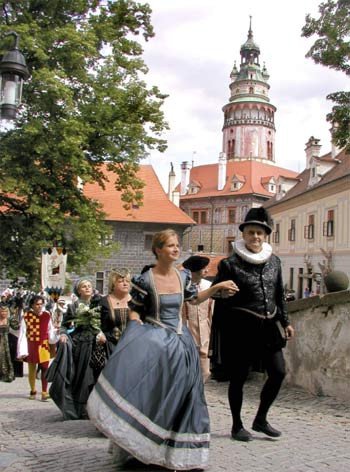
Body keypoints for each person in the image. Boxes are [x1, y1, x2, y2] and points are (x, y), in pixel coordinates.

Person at [87, 229, 237, 471]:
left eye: (177, 245)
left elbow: (194, 300)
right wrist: (136, 329)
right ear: (157, 250)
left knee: (186, 396)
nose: (176, 249)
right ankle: (148, 447)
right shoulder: (145, 279)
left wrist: (216, 287)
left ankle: (179, 452)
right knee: (156, 396)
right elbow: (136, 309)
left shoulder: (183, 277)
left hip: (181, 345)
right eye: (170, 245)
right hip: (156, 343)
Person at [211, 207, 295, 442]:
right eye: (251, 232)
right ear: (243, 234)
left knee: (278, 372)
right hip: (241, 328)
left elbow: (279, 294)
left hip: (269, 327)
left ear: (266, 235)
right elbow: (216, 292)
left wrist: (285, 321)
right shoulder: (229, 264)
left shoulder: (275, 262)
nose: (255, 237)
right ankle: (237, 425)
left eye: (259, 233)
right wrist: (223, 292)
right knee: (238, 377)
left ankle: (260, 419)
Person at [47, 277, 102, 420]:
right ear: (78, 290)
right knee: (82, 376)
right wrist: (64, 334)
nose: (87, 288)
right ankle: (79, 408)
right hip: (81, 344)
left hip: (97, 344)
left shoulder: (99, 305)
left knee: (95, 376)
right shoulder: (73, 306)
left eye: (89, 286)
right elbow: (65, 324)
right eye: (84, 286)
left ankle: (95, 407)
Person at [17, 295, 58, 401]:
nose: (39, 306)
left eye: (41, 304)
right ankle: (33, 390)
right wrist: (22, 350)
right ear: (32, 305)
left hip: (44, 344)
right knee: (32, 369)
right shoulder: (26, 316)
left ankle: (44, 392)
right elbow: (22, 333)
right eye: (37, 304)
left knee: (45, 368)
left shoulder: (47, 315)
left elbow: (50, 330)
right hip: (32, 345)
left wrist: (55, 334)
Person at [182, 255, 214, 382]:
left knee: (204, 364)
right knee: (187, 359)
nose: (207, 271)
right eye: (203, 268)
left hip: (204, 326)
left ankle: (200, 388)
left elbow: (212, 308)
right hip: (187, 325)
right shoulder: (184, 285)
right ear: (194, 270)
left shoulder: (209, 285)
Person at [99, 268, 131, 359]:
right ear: (113, 284)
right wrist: (99, 333)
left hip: (133, 346)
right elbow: (94, 323)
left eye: (127, 281)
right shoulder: (103, 302)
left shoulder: (136, 301)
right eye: (121, 281)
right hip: (109, 347)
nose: (125, 284)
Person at [0, 305, 17, 382]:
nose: (4, 313)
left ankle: (6, 374)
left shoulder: (9, 319)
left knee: (6, 357)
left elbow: (16, 327)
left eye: (5, 311)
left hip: (6, 341)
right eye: (2, 311)